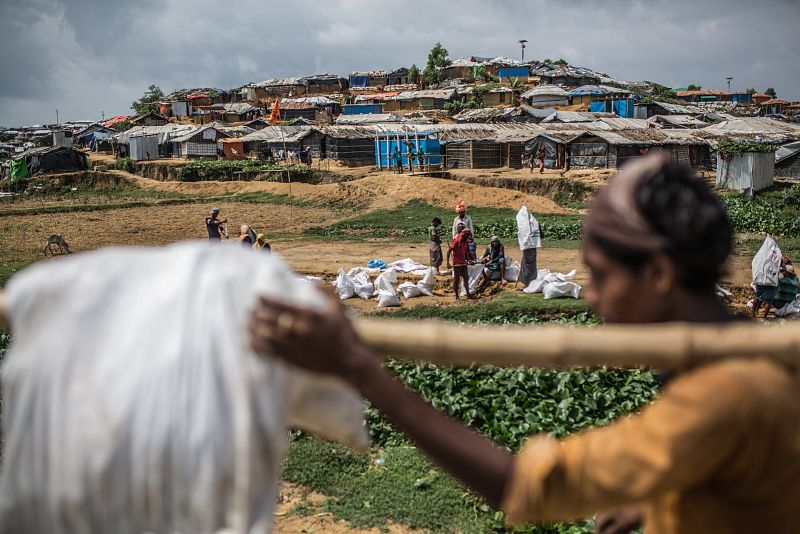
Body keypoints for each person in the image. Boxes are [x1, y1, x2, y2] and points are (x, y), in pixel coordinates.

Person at [250, 152, 800, 533]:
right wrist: (663, 497)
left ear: (657, 274)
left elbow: (524, 487)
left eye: (602, 276)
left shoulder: (720, 399)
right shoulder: (752, 355)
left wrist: (359, 368)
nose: (593, 300)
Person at [516, 205, 542, 287]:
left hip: (528, 247)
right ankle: (528, 280)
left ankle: (527, 282)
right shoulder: (534, 222)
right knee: (528, 263)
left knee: (528, 264)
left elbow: (523, 231)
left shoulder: (525, 222)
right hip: (532, 246)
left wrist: (525, 243)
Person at [447, 228, 474, 300]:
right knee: (456, 280)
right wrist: (448, 263)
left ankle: (468, 294)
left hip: (463, 263)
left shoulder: (466, 242)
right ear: (464, 235)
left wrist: (472, 260)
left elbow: (467, 253)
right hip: (457, 264)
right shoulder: (456, 241)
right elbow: (449, 251)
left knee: (466, 279)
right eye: (467, 235)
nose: (468, 237)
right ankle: (456, 296)